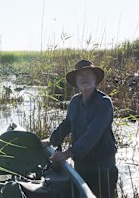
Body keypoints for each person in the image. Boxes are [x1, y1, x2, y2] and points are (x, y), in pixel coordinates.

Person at [42, 59, 118, 198]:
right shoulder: (75, 101)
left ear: (95, 79)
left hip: (102, 167)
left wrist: (67, 154)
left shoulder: (104, 103)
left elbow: (92, 134)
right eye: (80, 75)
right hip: (81, 164)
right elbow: (67, 124)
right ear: (76, 81)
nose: (84, 78)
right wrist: (51, 139)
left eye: (88, 74)